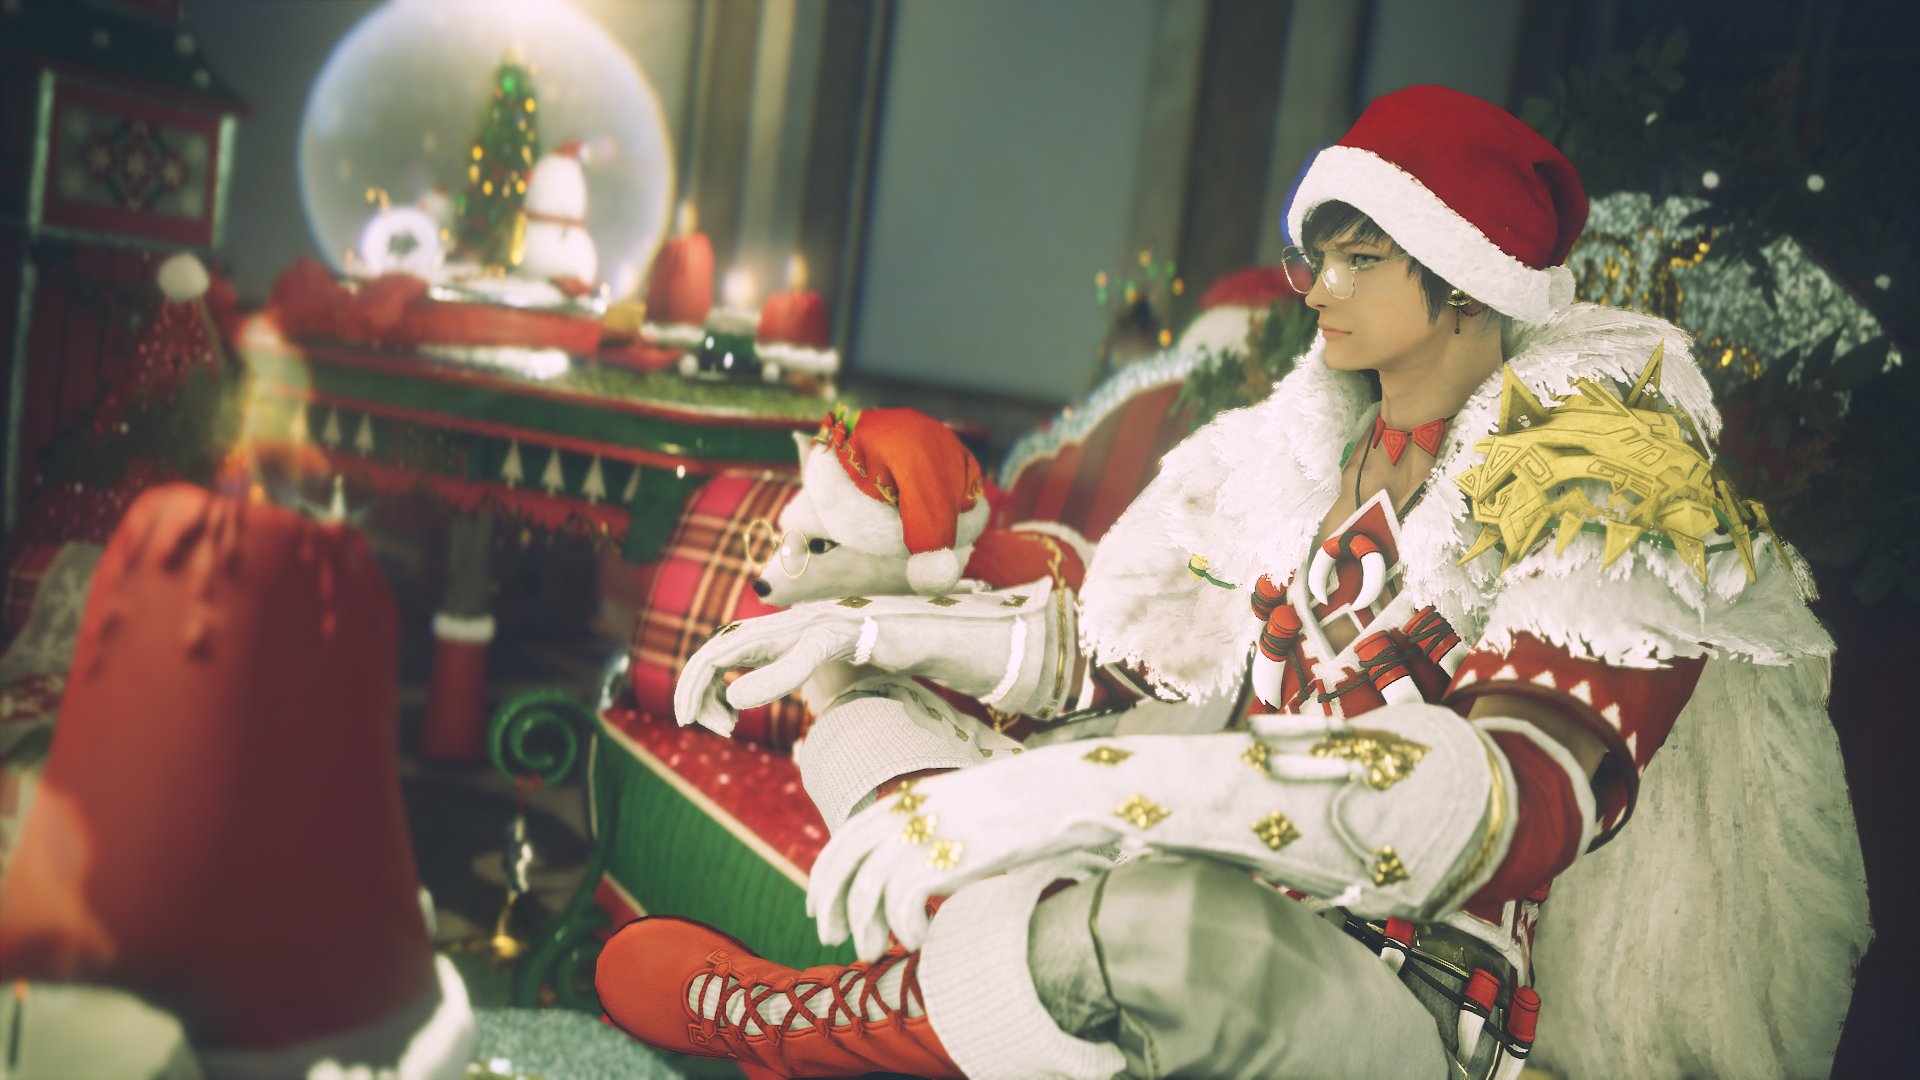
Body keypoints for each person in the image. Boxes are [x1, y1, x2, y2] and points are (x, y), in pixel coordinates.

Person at [594, 85, 1870, 1079]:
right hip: (1187, 851)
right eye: (1318, 255)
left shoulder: (1610, 479)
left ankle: (783, 1021)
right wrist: (868, 629)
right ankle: (1019, 951)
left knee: (1160, 926)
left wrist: (1069, 798)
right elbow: (1120, 665)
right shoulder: (1281, 449)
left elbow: (1514, 806)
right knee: (857, 703)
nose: (1318, 289)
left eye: (1362, 258)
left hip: (1400, 980)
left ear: (1467, 279)